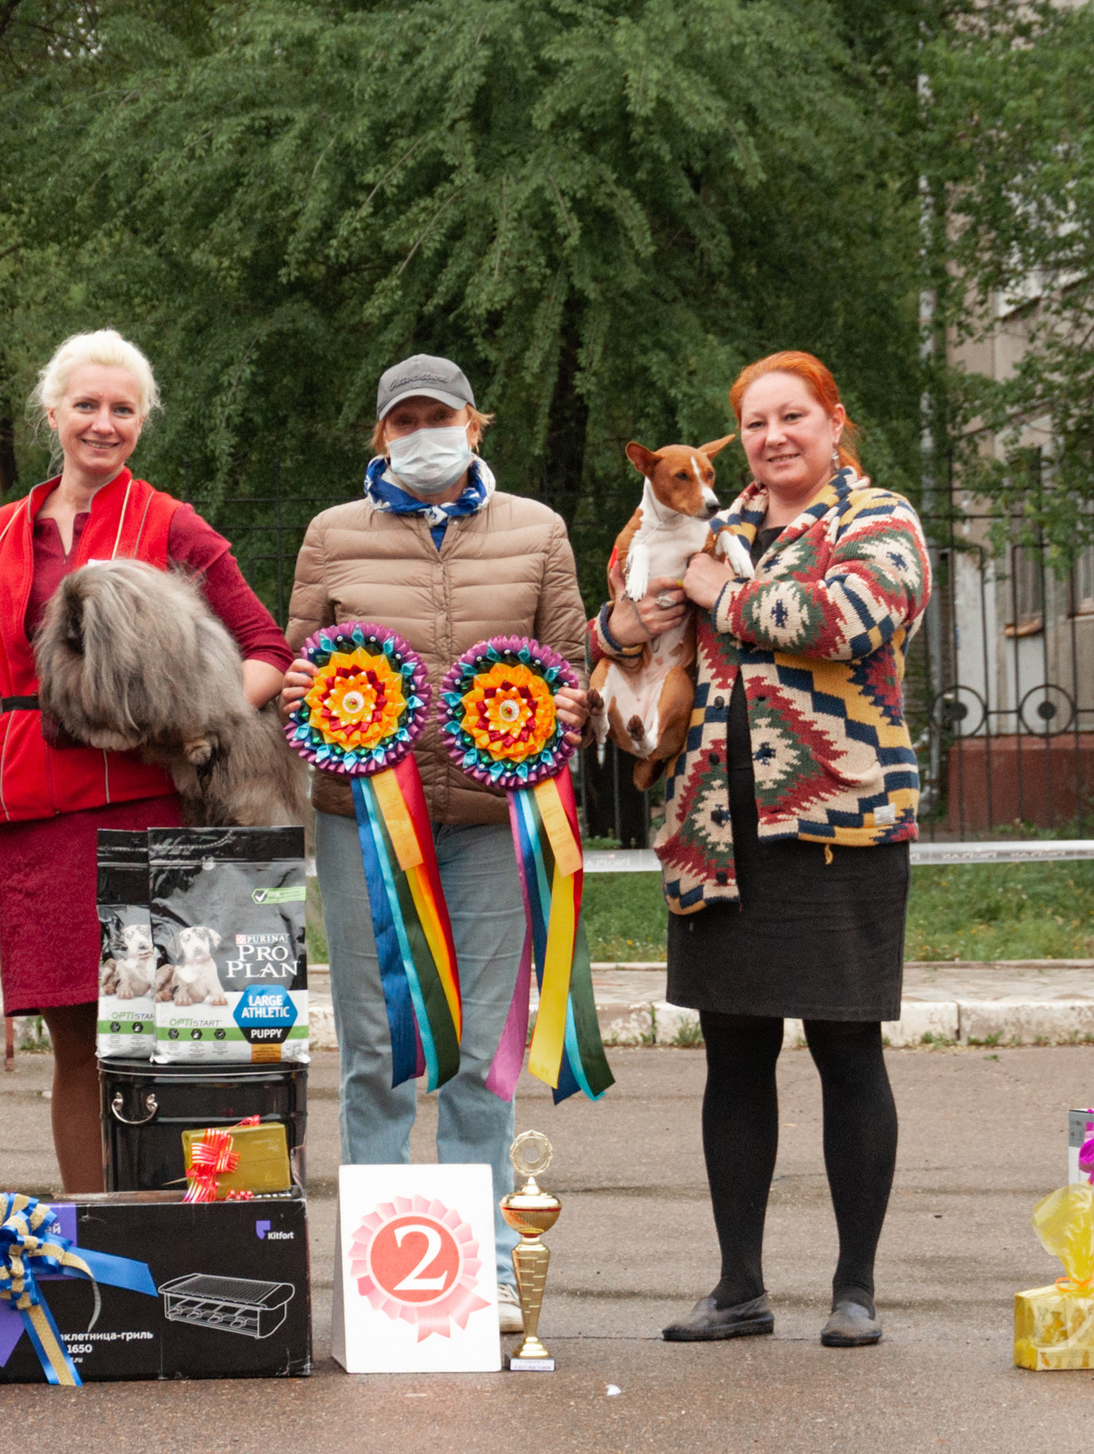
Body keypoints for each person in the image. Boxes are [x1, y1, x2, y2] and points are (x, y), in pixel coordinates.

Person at [595, 349, 927, 1350]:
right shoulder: (712, 520)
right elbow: (623, 618)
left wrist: (723, 599)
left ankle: (854, 1287)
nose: (773, 436)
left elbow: (853, 616)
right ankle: (737, 1284)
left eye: (792, 416)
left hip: (836, 822)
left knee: (846, 1045)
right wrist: (623, 623)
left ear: (833, 421)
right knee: (730, 1056)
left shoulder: (877, 518)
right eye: (754, 422)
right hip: (712, 822)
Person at [0, 329, 292, 1192]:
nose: (104, 424)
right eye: (87, 406)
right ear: (52, 412)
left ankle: (186, 1227)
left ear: (142, 421)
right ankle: (99, 1238)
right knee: (76, 1047)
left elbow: (267, 650)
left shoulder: (173, 523)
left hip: (152, 815)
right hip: (36, 819)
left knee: (174, 1038)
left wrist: (198, 721)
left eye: (123, 410)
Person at [282, 353, 589, 1334]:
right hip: (359, 829)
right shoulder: (332, 534)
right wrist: (298, 691)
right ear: (381, 434)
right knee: (376, 1051)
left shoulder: (538, 530)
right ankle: (382, 1272)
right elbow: (299, 666)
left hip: (495, 825)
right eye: (404, 417)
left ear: (474, 422)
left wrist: (568, 708)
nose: (424, 431)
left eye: (440, 414)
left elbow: (570, 663)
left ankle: (488, 1267)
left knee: (483, 1053)